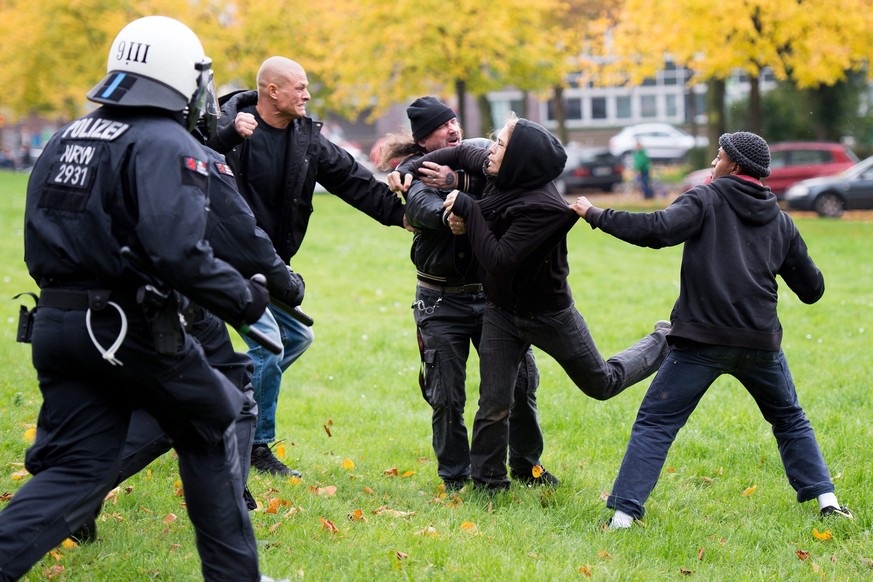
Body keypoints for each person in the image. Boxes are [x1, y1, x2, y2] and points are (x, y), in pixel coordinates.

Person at [0, 16, 270, 581]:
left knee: (75, 470)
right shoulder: (166, 141)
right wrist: (243, 297)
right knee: (216, 413)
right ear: (176, 76)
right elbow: (178, 252)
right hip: (126, 326)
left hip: (55, 324)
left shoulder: (67, 137)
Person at [570, 131, 852, 528]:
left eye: (718, 158)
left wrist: (596, 214)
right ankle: (828, 500)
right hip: (759, 342)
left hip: (700, 340)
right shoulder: (780, 219)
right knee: (790, 418)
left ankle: (623, 517)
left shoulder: (706, 198)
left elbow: (656, 230)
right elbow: (812, 290)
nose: (713, 165)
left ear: (734, 166)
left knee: (656, 421)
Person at [398, 113, 669, 492]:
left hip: (548, 314)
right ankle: (489, 484)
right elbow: (458, 157)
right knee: (493, 403)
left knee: (602, 383)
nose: (489, 149)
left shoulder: (543, 208)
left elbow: (498, 260)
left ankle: (664, 340)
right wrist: (407, 169)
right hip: (501, 312)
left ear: (519, 158)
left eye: (500, 144)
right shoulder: (501, 170)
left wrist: (467, 207)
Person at [207, 56, 408, 476]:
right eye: (299, 87)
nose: (307, 94)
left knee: (296, 336)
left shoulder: (305, 138)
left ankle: (217, 408)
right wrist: (225, 136)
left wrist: (402, 215)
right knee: (268, 343)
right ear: (271, 91)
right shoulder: (228, 126)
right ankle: (254, 446)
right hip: (217, 258)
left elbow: (353, 181)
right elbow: (193, 159)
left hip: (268, 263)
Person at [381, 97, 553, 490]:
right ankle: (455, 479)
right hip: (439, 301)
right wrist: (450, 213)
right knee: (446, 396)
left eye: (454, 121)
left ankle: (528, 466)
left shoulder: (481, 156)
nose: (453, 129)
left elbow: (511, 187)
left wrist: (460, 188)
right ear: (425, 141)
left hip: (494, 299)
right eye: (442, 128)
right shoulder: (418, 175)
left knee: (522, 385)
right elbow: (422, 208)